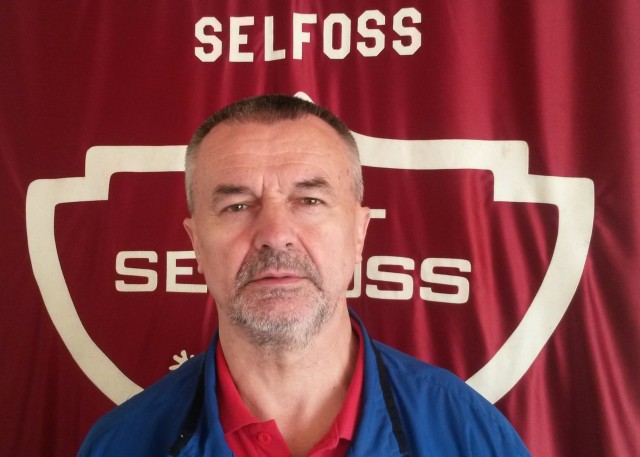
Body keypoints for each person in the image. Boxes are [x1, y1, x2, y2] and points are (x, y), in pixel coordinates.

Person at [78, 94, 531, 456]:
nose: (275, 234)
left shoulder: (471, 437)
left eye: (310, 201)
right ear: (196, 243)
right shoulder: (120, 444)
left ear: (359, 232)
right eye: (237, 205)